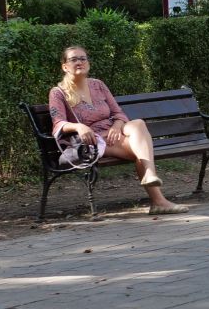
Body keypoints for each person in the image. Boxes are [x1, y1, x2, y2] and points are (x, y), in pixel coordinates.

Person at [48, 45, 188, 215]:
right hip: (95, 140)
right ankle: (158, 200)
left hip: (115, 132)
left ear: (88, 63)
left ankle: (151, 178)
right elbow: (58, 123)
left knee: (137, 123)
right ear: (65, 66)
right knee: (141, 150)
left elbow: (118, 113)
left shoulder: (98, 85)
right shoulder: (58, 93)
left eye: (83, 58)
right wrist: (78, 126)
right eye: (73, 59)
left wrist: (116, 125)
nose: (79, 62)